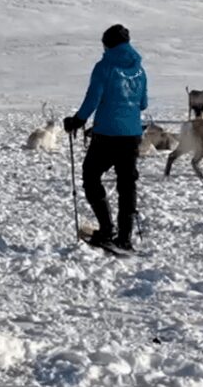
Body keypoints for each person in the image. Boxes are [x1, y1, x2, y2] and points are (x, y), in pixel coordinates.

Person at [63, 24, 148, 250]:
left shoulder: (104, 67)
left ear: (107, 43)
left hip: (107, 134)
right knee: (127, 185)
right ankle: (125, 237)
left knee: (91, 176)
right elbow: (143, 103)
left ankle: (107, 230)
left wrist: (77, 121)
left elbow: (93, 98)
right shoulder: (140, 70)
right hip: (132, 135)